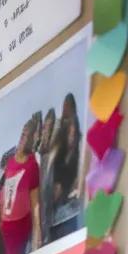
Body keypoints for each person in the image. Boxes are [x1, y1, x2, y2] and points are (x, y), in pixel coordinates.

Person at [0, 121, 42, 254]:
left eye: (28, 137)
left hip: (21, 226)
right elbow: (6, 191)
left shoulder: (32, 165)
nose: (24, 139)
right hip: (6, 227)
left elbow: (35, 202)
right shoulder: (11, 162)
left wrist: (37, 232)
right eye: (23, 135)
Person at [49, 95, 83, 240]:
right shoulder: (58, 148)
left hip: (71, 211)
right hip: (55, 213)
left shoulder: (78, 150)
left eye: (73, 133)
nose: (71, 135)